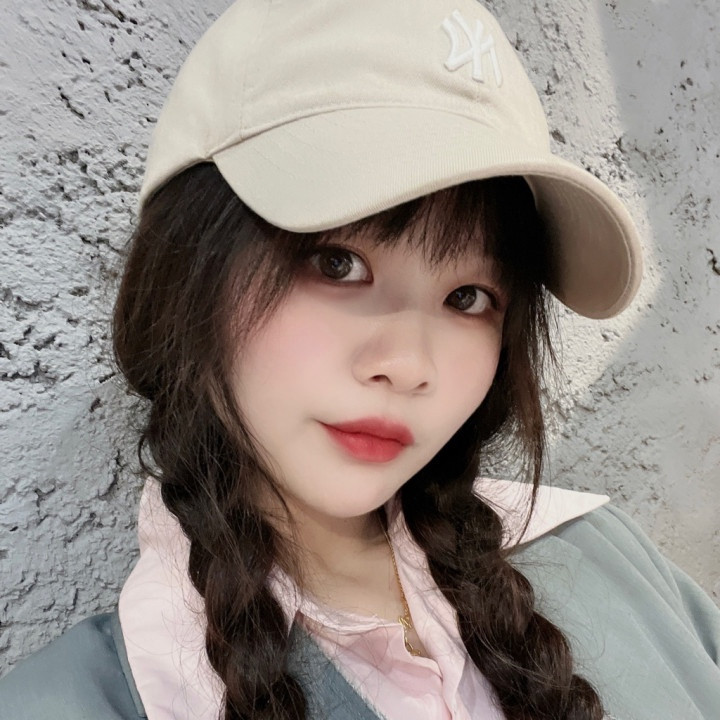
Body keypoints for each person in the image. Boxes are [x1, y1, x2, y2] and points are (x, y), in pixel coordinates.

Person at [1, 0, 718, 719]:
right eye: (337, 263)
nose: (407, 365)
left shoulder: (610, 558)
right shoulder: (71, 702)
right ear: (187, 273)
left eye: (467, 297)